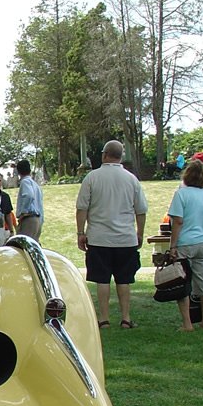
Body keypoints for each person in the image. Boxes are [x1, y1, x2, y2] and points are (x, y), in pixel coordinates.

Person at [75, 140, 148, 329]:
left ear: (104, 154)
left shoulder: (92, 177)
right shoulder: (131, 179)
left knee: (102, 279)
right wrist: (139, 233)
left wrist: (80, 232)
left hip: (99, 238)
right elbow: (141, 210)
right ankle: (125, 317)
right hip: (125, 237)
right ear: (121, 156)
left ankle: (104, 318)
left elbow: (82, 208)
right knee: (124, 280)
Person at [168, 160, 203, 331]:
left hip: (185, 242)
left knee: (182, 283)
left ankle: (187, 323)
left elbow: (177, 221)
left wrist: (172, 246)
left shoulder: (181, 194)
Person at [15, 159, 44, 240]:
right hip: (37, 219)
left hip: (29, 218)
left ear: (18, 171)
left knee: (24, 246)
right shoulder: (36, 185)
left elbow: (29, 196)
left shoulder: (25, 182)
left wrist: (23, 213)